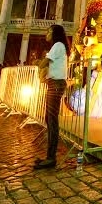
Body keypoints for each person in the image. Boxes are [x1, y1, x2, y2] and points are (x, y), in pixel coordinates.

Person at [35, 24, 70, 170]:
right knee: (49, 119)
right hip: (54, 84)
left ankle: (51, 158)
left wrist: (38, 63)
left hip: (56, 85)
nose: (46, 33)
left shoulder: (58, 45)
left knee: (52, 120)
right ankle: (50, 155)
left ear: (55, 33)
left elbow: (44, 62)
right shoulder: (58, 46)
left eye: (49, 31)